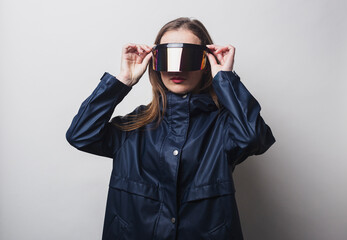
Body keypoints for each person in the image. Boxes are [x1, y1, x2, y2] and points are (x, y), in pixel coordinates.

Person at [66, 17, 275, 240]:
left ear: (205, 63)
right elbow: (81, 135)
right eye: (168, 57)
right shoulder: (132, 127)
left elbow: (254, 139)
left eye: (189, 57)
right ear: (155, 62)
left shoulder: (224, 127)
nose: (178, 68)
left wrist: (225, 79)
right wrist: (122, 81)